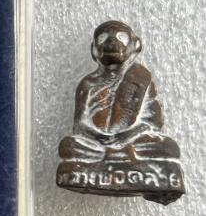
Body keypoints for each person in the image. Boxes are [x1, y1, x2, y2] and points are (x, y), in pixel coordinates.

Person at [59, 20, 179, 163]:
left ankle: (111, 159)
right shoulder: (87, 84)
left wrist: (126, 136)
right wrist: (99, 137)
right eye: (102, 39)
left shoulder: (140, 78)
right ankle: (115, 158)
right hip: (96, 144)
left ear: (136, 46)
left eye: (121, 38)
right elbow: (80, 124)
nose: (111, 42)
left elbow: (152, 123)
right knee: (68, 145)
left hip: (131, 141)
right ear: (93, 49)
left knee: (168, 147)